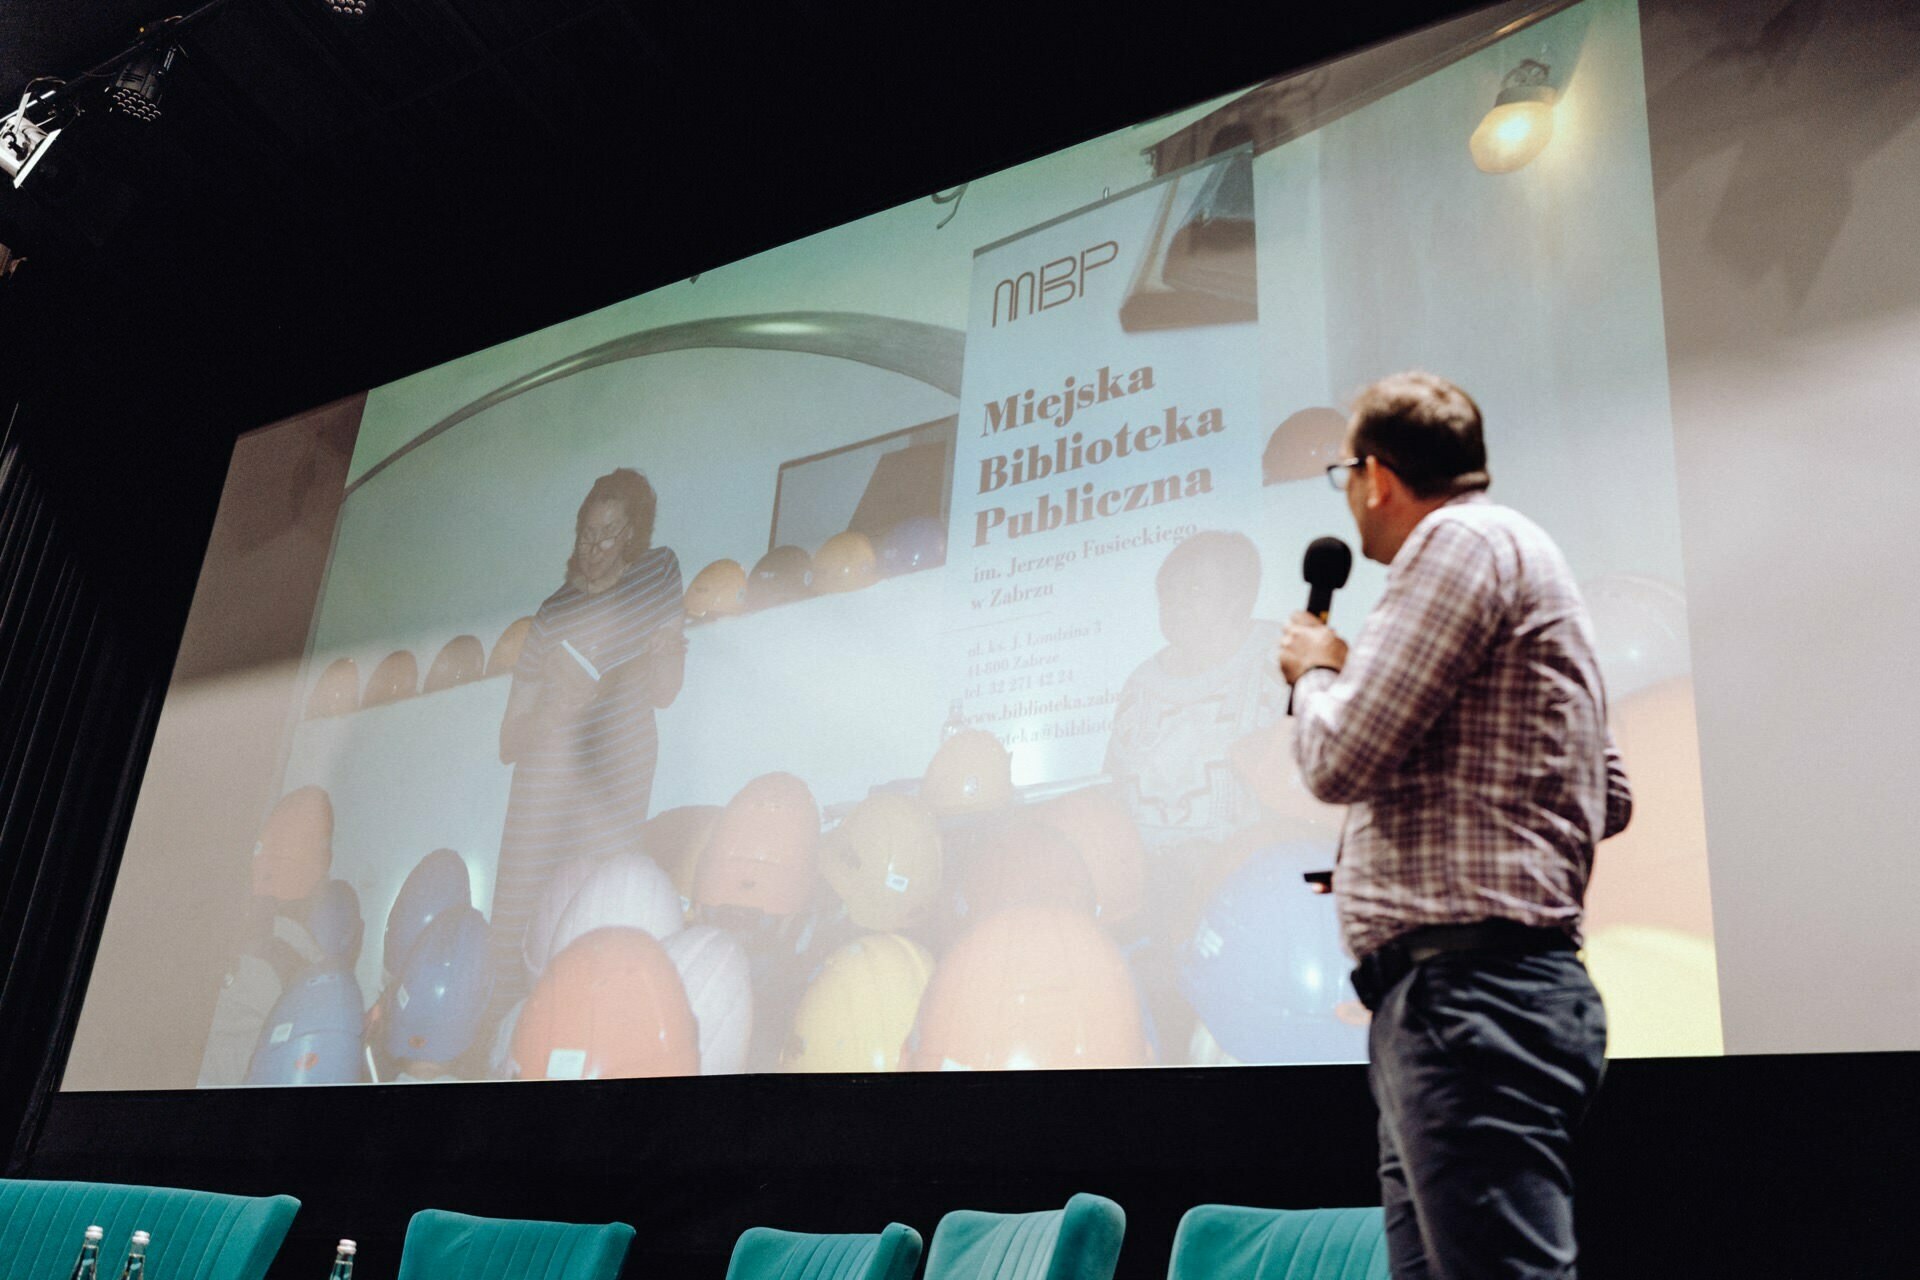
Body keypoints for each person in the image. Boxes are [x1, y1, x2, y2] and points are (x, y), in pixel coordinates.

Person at [1277, 372, 1631, 1280]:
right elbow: (1611, 790)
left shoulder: (1455, 544)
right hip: (1470, 1001)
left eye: (1343, 473)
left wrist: (1315, 675)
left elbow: (1337, 759)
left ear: (1377, 476)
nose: (1348, 496)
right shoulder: (1519, 552)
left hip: (1471, 1002)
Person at [490, 468, 687, 1015]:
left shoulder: (658, 571)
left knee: (597, 909)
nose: (596, 547)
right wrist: (556, 706)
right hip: (551, 777)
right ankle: (505, 1029)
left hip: (617, 768)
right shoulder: (552, 614)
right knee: (523, 918)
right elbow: (509, 741)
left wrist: (670, 650)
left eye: (610, 533)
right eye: (587, 533)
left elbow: (666, 691)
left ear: (633, 536)